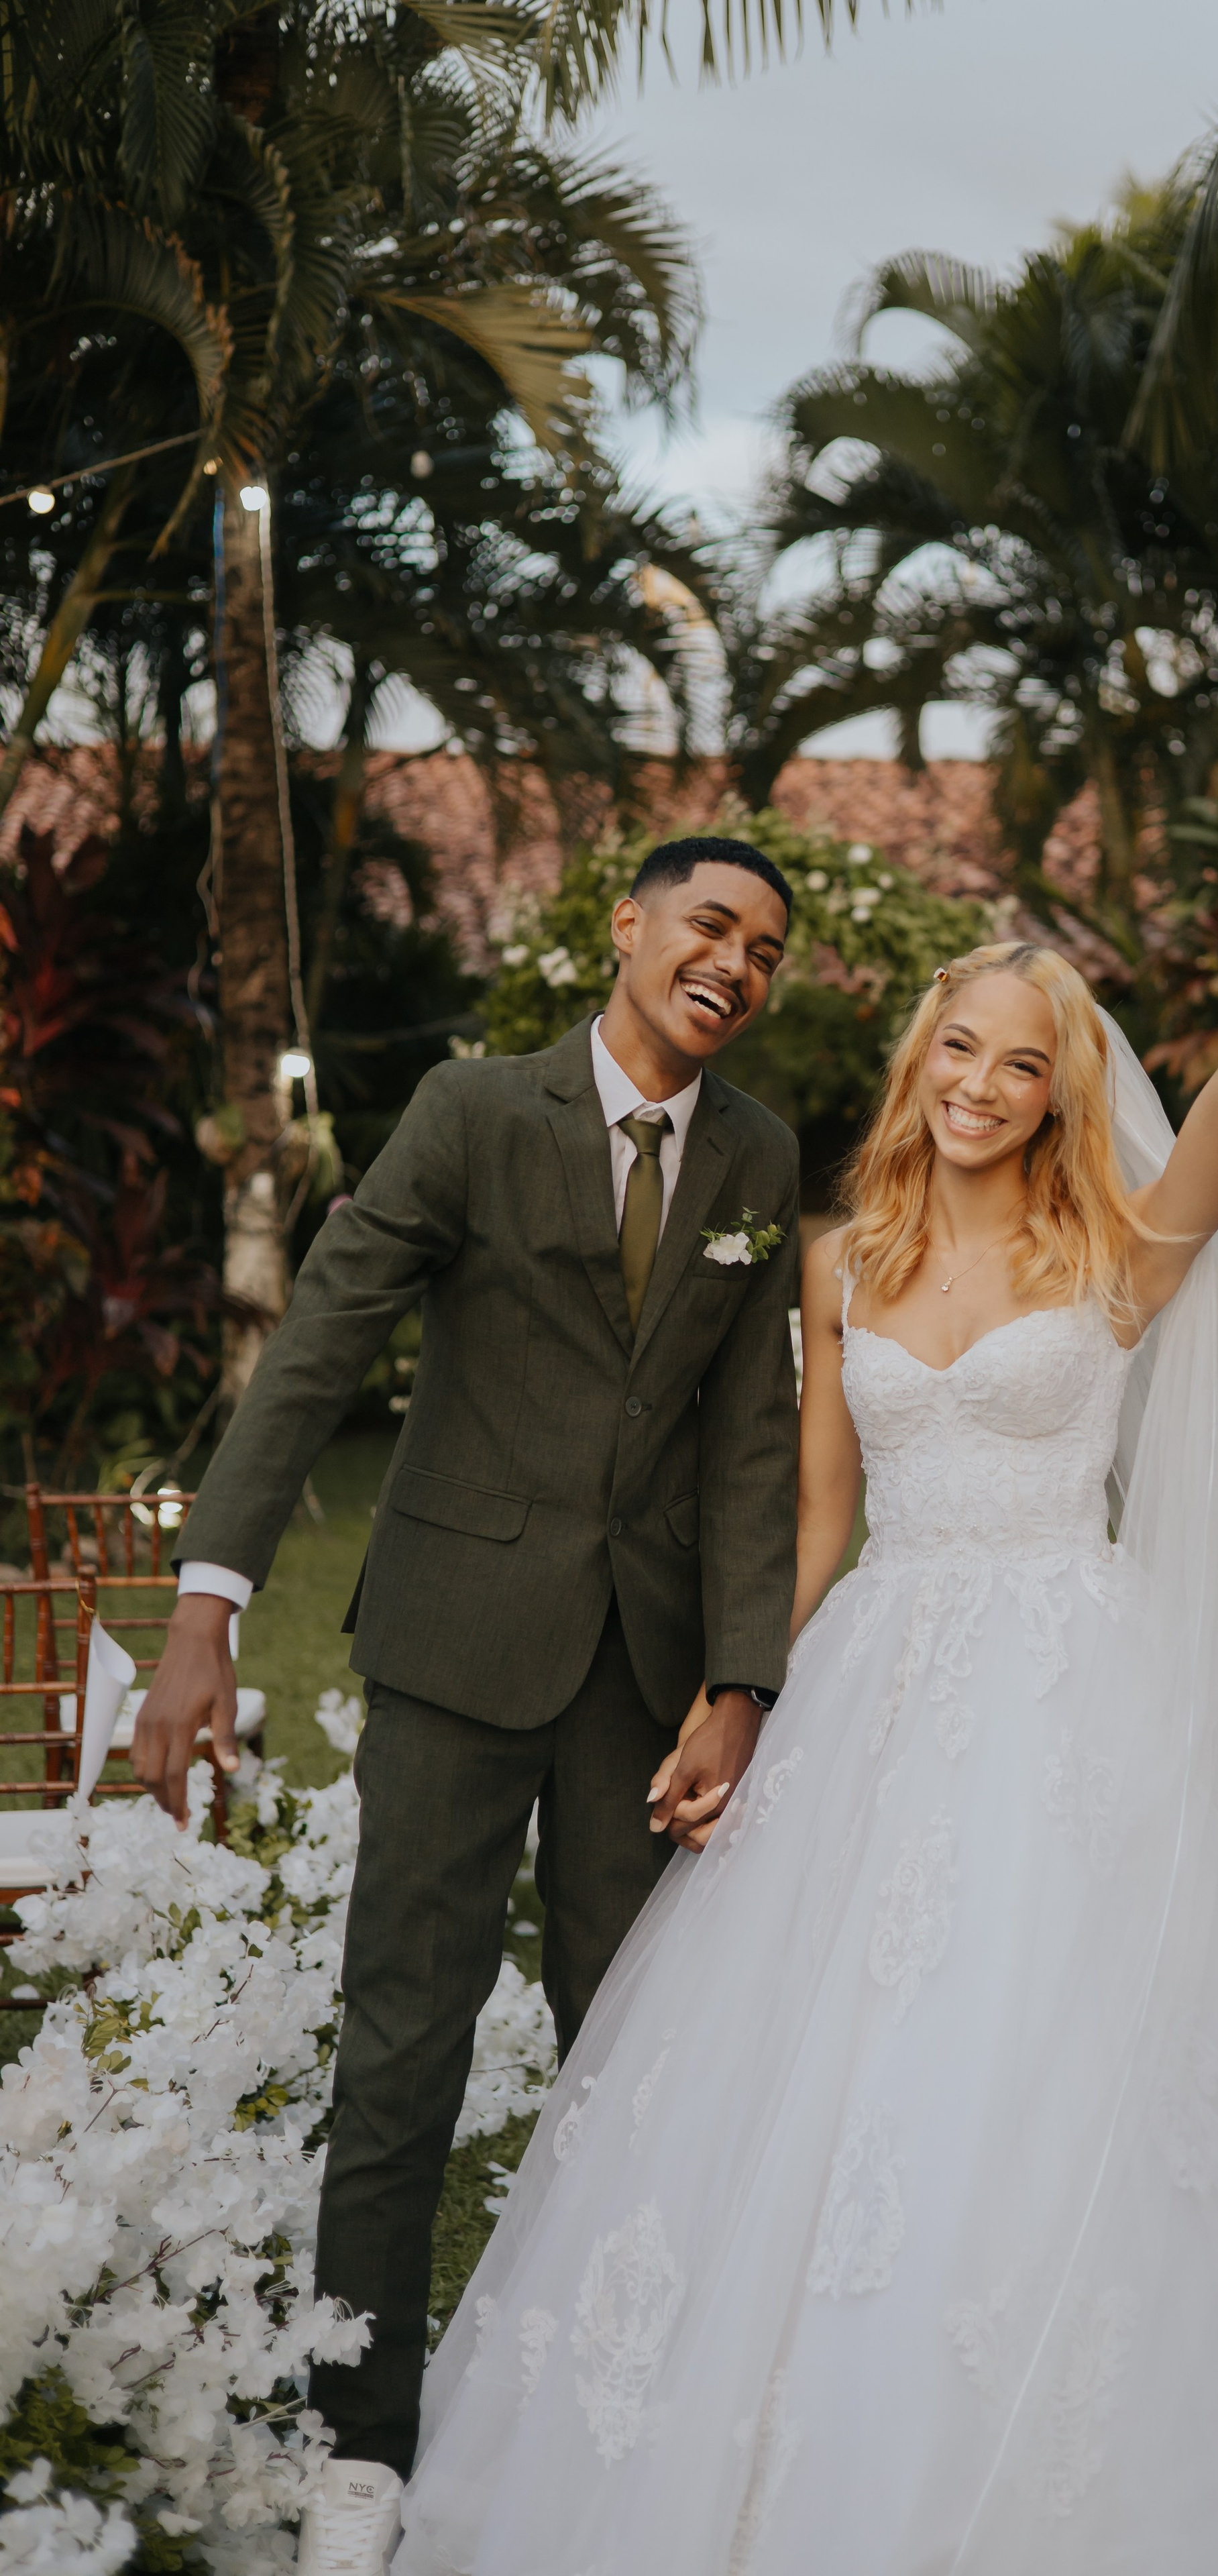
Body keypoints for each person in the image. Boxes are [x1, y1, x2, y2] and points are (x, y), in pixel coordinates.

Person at [394, 731, 1218, 2575]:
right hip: (879, 1681)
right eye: (959, 1049)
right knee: (821, 2078)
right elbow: (817, 1515)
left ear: (1063, 1096)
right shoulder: (838, 1258)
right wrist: (736, 1696)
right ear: (915, 1057)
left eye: (1023, 1065)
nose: (983, 1087)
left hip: (1071, 1693)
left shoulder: (1121, 1254)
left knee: (1062, 2067)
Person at [129, 838, 804, 2576]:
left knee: (636, 2058)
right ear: (629, 927)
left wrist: (743, 1682)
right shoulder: (474, 1110)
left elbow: (751, 1439)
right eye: (711, 926)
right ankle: (359, 2446)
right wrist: (209, 1600)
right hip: (452, 1648)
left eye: (766, 950)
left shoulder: (758, 1154)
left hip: (645, 1684)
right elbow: (325, 1338)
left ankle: (602, 2423)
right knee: (403, 2048)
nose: (735, 964)